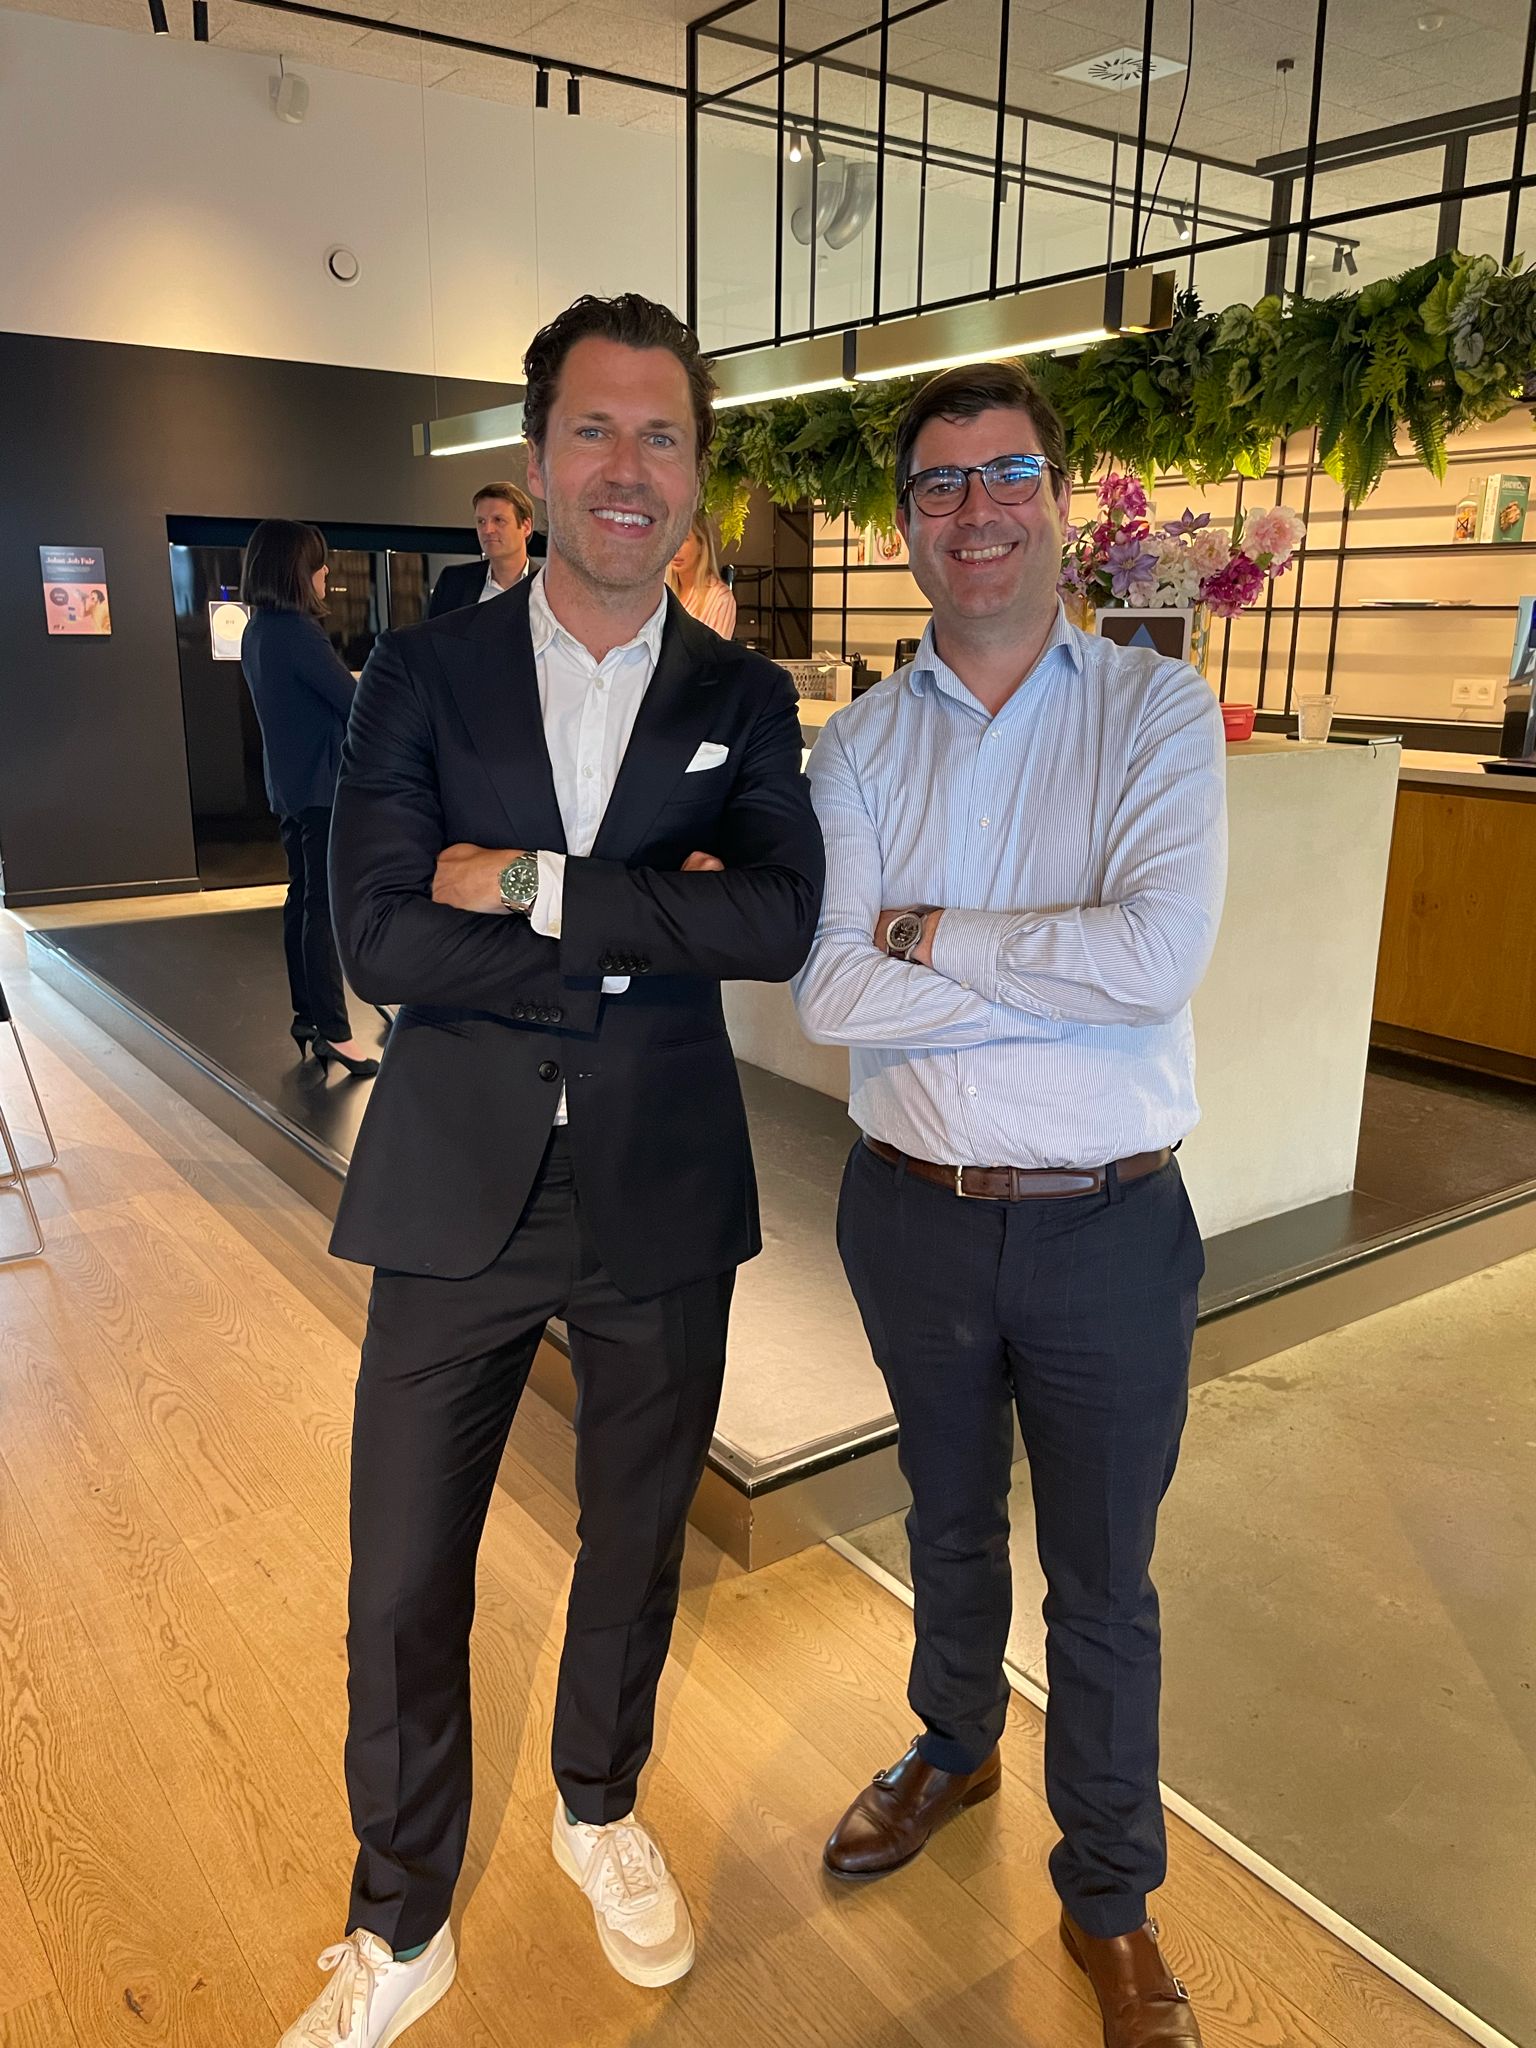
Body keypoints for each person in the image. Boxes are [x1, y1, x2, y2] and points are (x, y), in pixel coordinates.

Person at [277, 293, 823, 2048]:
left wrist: (530, 884)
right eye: (594, 429)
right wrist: (645, 938)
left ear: (698, 475)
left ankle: (598, 1804)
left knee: (638, 1539)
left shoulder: (745, 694)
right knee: (400, 1571)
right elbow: (378, 937)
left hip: (663, 1186)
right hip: (457, 1181)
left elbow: (779, 920)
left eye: (662, 435)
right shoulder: (419, 675)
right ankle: (399, 1915)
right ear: (536, 456)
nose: (626, 467)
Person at [793, 362, 1226, 2048]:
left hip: (1109, 1225)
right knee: (949, 1520)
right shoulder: (857, 742)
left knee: (1105, 1580)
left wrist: (932, 936)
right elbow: (832, 992)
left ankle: (1109, 1894)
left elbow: (1155, 962)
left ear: (1059, 497)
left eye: (1007, 474)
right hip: (909, 1211)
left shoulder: (1154, 715)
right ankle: (955, 1743)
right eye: (940, 484)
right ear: (905, 525)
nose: (975, 509)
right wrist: (1049, 975)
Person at [239, 520, 380, 1079]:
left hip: (289, 786)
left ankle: (309, 1018)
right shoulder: (299, 632)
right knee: (323, 909)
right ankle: (337, 1032)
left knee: (301, 900)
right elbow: (353, 702)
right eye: (318, 563)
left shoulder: (259, 629)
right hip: (322, 789)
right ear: (298, 570)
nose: (326, 573)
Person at [427, 479, 537, 615]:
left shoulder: (548, 586)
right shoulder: (454, 582)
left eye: (498, 520)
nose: (487, 530)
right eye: (481, 521)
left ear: (526, 526)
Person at [667, 510, 736, 636]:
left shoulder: (720, 598)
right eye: (673, 539)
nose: (677, 548)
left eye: (685, 539)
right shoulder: (663, 594)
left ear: (701, 545)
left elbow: (716, 648)